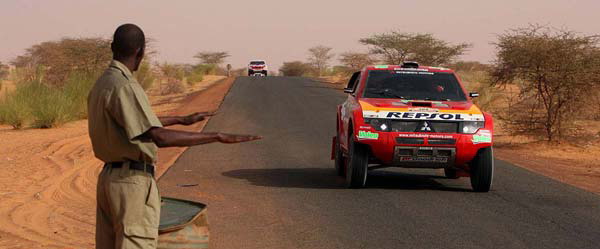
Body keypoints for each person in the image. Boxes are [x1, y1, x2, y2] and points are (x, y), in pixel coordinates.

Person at [88, 23, 261, 249]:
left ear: (112, 47)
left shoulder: (104, 83)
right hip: (131, 183)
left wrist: (182, 119)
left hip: (109, 180)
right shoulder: (126, 85)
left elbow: (133, 122)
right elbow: (159, 137)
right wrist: (218, 136)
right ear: (141, 51)